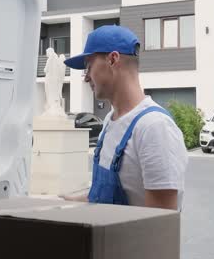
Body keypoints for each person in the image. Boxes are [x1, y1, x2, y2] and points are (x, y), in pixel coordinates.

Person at [61, 25, 188, 210]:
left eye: (88, 67)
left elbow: (161, 225)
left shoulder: (154, 128)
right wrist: (61, 203)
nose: (86, 77)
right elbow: (101, 196)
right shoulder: (109, 122)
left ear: (113, 59)